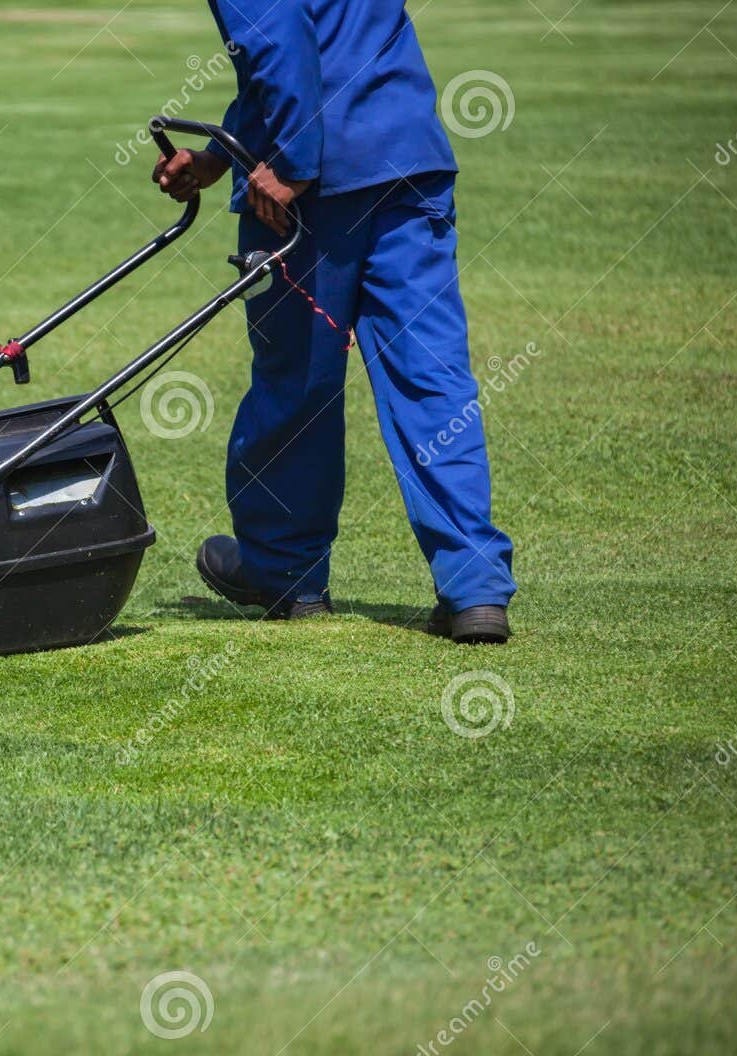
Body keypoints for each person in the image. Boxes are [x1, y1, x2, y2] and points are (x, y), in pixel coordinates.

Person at [152, 0, 515, 643]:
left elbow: (284, 43)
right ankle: (475, 585)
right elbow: (333, 41)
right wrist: (220, 157)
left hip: (319, 187)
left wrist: (289, 161)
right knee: (431, 379)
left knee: (299, 383)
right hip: (409, 162)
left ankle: (284, 569)